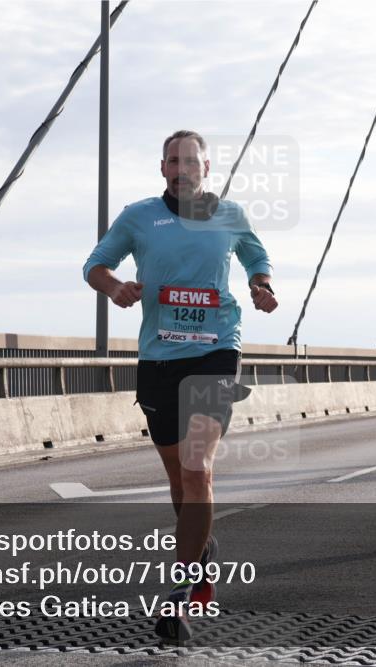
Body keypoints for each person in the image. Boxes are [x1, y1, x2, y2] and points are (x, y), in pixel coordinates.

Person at [82, 130, 277, 642]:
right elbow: (94, 266)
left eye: (191, 161)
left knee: (197, 469)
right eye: (174, 160)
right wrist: (115, 287)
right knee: (178, 478)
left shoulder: (229, 215)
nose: (182, 168)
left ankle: (179, 594)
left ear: (206, 168)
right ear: (163, 168)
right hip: (159, 359)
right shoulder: (139, 216)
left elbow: (257, 259)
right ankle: (202, 547)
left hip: (216, 353)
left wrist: (261, 286)